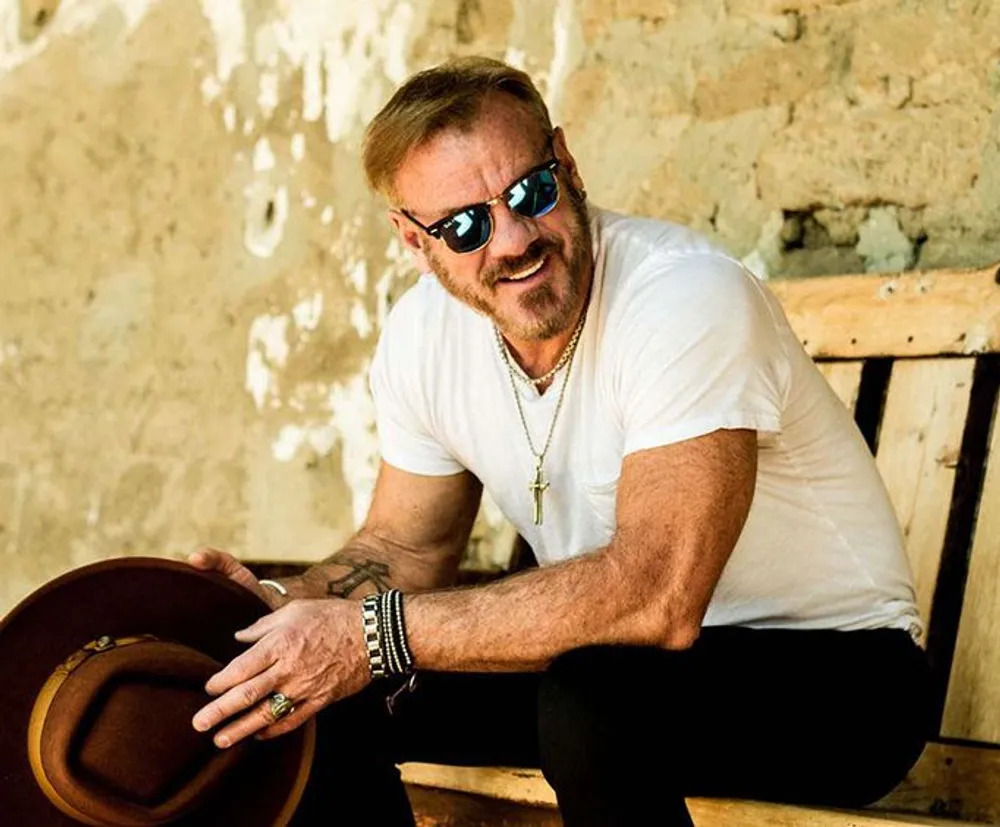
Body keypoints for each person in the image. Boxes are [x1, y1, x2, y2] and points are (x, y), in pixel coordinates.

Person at [189, 56, 932, 826]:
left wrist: (372, 635)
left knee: (592, 701)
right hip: (618, 668)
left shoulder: (683, 296)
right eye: (466, 225)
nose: (513, 239)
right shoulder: (423, 337)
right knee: (318, 697)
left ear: (567, 165)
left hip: (846, 681)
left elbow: (658, 597)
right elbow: (404, 548)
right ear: (414, 242)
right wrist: (278, 610)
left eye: (530, 192)